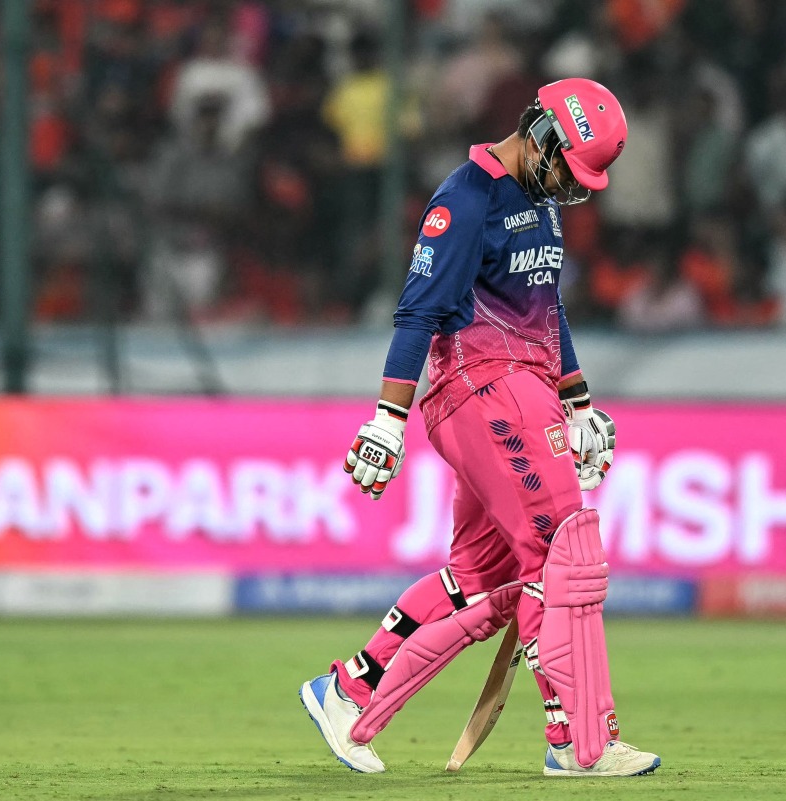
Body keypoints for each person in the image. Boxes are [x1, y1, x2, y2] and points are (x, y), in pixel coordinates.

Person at [298, 78, 661, 778]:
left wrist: (579, 402)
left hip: (526, 393)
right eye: (571, 168)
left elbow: (546, 313)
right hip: (483, 391)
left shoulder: (539, 201)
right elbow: (417, 314)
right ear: (544, 136)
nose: (573, 188)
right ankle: (575, 739)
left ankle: (347, 690)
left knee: (478, 573)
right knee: (563, 554)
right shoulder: (465, 200)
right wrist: (387, 418)